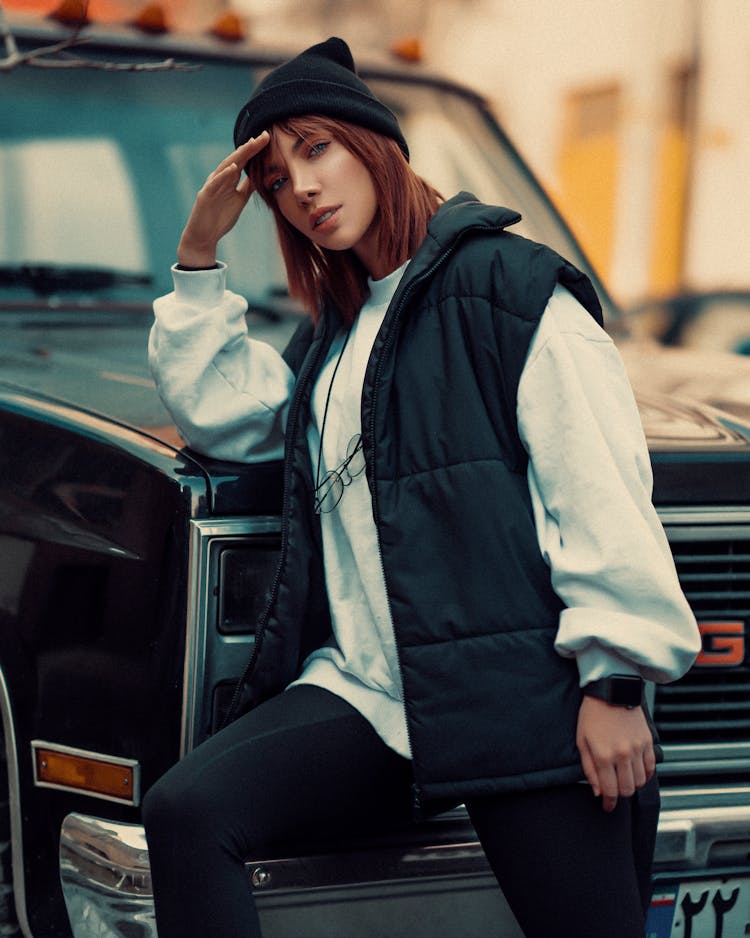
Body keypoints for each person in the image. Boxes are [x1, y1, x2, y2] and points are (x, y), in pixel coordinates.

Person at [143, 36, 700, 938]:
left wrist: (615, 688)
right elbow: (227, 416)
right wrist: (200, 251)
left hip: (520, 706)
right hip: (374, 699)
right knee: (188, 811)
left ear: (377, 145)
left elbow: (598, 490)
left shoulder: (513, 295)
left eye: (316, 150)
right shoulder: (337, 334)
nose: (304, 191)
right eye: (279, 180)